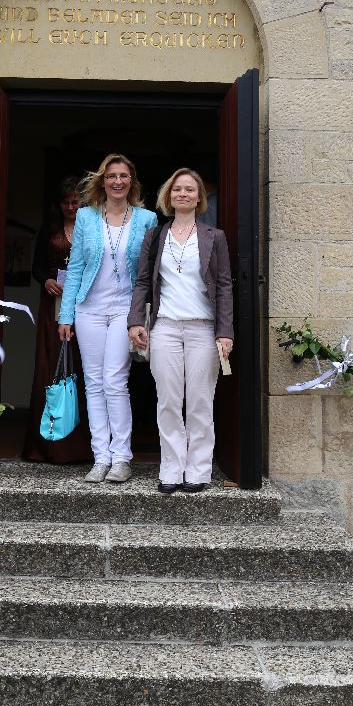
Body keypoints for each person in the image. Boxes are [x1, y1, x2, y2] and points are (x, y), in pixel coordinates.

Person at [128, 168, 233, 494]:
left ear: (199, 197)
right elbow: (143, 282)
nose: (183, 194)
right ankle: (171, 469)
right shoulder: (155, 236)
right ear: (169, 196)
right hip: (166, 328)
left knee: (200, 402)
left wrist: (225, 331)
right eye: (177, 190)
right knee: (169, 402)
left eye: (190, 189)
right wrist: (135, 321)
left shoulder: (214, 237)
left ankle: (198, 470)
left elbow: (225, 287)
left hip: (203, 329)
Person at [58, 154, 157, 483]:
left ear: (131, 181)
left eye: (123, 176)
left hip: (124, 311)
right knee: (94, 383)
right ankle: (100, 456)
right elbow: (74, 269)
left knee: (115, 381)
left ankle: (122, 457)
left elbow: (151, 272)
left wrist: (146, 314)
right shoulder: (86, 217)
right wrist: (66, 314)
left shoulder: (146, 219)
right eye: (111, 176)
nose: (117, 181)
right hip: (88, 309)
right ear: (103, 181)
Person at [23, 177, 92, 464]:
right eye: (66, 202)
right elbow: (35, 267)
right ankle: (48, 444)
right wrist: (46, 279)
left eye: (75, 201)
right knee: (50, 365)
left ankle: (86, 445)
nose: (70, 207)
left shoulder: (92, 227)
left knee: (84, 365)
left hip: (86, 301)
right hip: (53, 303)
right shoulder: (49, 230)